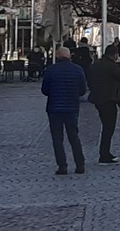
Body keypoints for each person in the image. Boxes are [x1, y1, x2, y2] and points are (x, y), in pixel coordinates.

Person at [40, 47, 87, 175]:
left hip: (54, 108)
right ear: (69, 56)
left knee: (57, 138)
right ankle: (80, 164)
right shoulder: (78, 69)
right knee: (74, 136)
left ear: (57, 56)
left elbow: (44, 90)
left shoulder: (51, 70)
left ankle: (62, 166)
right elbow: (82, 90)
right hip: (72, 108)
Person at [88, 44, 120, 165]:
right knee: (108, 128)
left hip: (97, 98)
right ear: (115, 55)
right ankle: (104, 154)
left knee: (106, 126)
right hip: (109, 99)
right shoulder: (111, 66)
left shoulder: (96, 64)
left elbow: (89, 80)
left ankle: (104, 153)